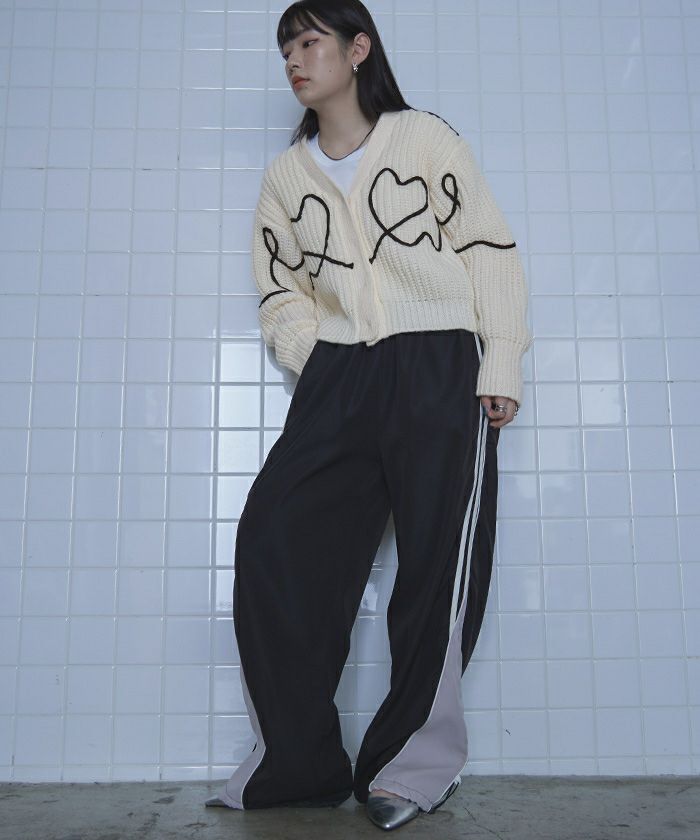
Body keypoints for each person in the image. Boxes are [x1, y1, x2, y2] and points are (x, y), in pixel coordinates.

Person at [206, 0, 531, 830]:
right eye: (285, 46)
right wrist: (317, 359)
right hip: (340, 372)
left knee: (434, 570)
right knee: (274, 539)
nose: (293, 58)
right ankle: (299, 761)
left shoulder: (423, 139)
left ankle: (411, 767)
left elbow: (487, 247)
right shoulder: (287, 178)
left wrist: (499, 359)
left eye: (309, 40)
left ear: (358, 50)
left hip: (439, 363)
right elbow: (279, 289)